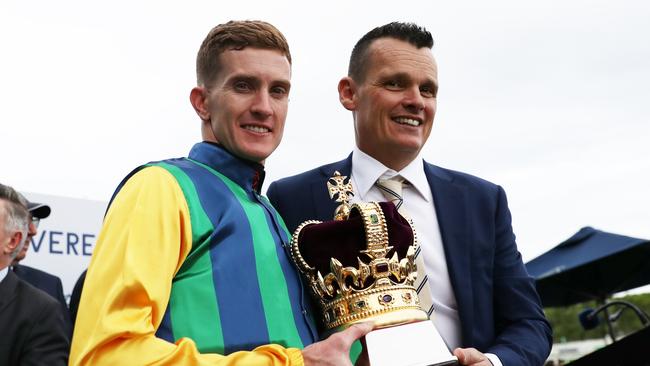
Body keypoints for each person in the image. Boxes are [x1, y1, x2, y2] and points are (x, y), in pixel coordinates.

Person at [69, 20, 371, 366]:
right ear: (202, 103)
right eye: (243, 86)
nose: (264, 107)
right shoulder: (159, 187)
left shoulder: (270, 211)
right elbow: (105, 355)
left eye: (278, 91)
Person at [267, 22, 552, 366]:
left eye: (428, 90)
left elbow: (529, 323)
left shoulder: (481, 201)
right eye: (395, 83)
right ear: (349, 93)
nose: (416, 101)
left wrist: (494, 362)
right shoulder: (293, 197)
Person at [0, 183, 69, 366]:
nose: (32, 231)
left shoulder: (42, 310)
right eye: (25, 221)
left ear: (12, 240)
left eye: (31, 221)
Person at [12, 197, 72, 336]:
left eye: (33, 221)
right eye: (21, 220)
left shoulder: (50, 285)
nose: (32, 231)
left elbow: (65, 350)